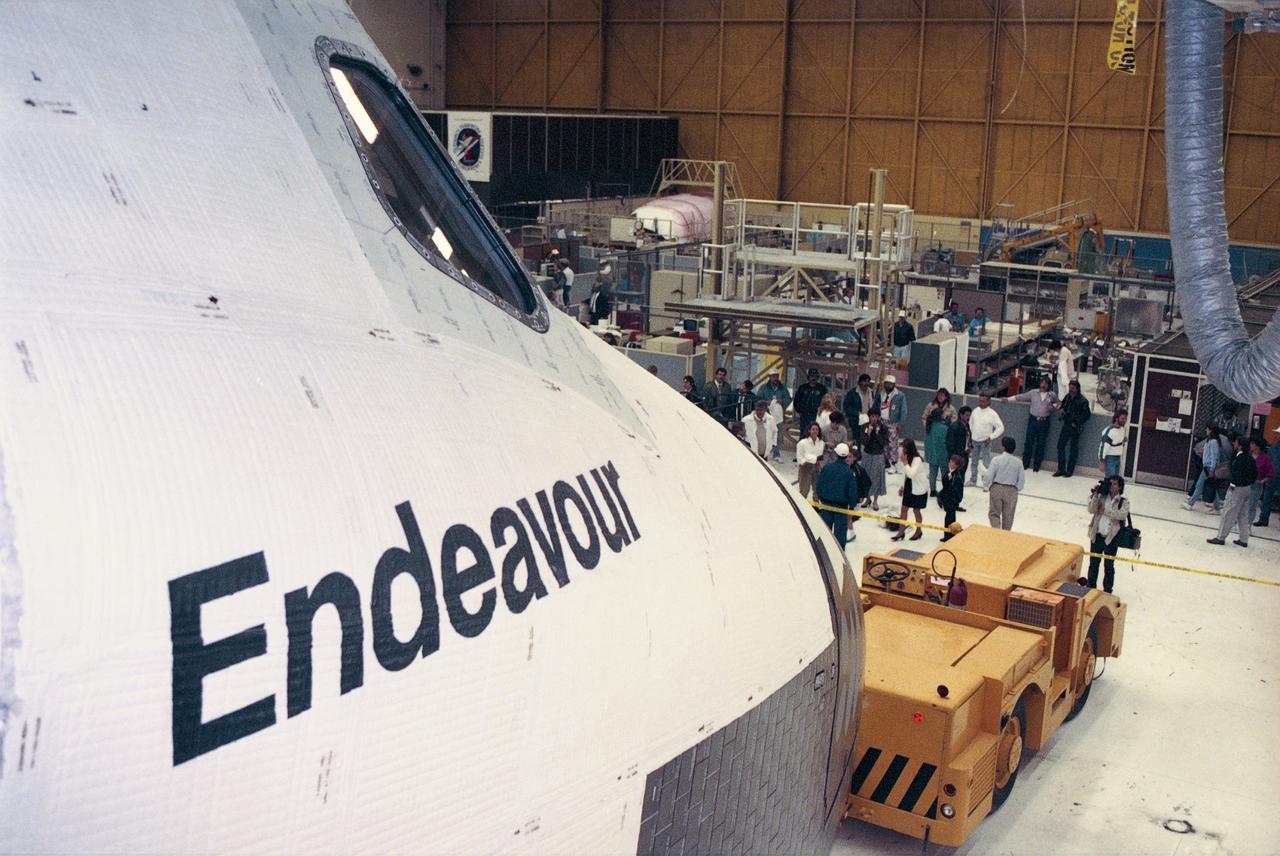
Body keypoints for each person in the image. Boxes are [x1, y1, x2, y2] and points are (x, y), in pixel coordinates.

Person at [1208, 433, 1257, 547]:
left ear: (1239, 446)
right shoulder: (1250, 458)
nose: (1234, 444)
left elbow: (1235, 473)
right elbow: (1255, 474)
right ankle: (1244, 539)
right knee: (1243, 514)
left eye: (1236, 442)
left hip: (1237, 488)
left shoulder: (1239, 458)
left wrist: (1232, 484)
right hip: (1247, 488)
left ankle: (1221, 537)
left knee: (1228, 512)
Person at [1086, 474, 1130, 593]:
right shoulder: (1101, 497)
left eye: (1114, 484)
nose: (1111, 486)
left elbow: (1121, 515)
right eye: (1110, 483)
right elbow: (1091, 509)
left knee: (1109, 566)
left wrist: (1105, 511)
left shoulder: (1123, 502)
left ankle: (1107, 590)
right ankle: (1090, 587)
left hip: (1112, 538)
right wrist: (1095, 494)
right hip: (1097, 535)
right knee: (1093, 564)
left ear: (1120, 487)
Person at [1007, 376, 1059, 471]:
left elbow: (1056, 403)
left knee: (1041, 443)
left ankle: (1037, 465)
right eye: (1042, 383)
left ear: (1048, 385)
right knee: (1029, 442)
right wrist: (1008, 399)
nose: (1043, 385)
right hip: (1033, 419)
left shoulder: (1052, 395)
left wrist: (1053, 407)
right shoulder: (1033, 393)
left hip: (1044, 421)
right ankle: (1025, 463)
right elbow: (1021, 397)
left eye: (1046, 384)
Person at [815, 442, 860, 546]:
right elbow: (852, 491)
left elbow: (819, 485)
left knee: (826, 533)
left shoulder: (827, 468)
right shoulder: (849, 473)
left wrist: (822, 499)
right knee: (840, 536)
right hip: (841, 508)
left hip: (826, 505)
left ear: (836, 454)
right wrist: (852, 506)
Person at [1183, 425, 1229, 512]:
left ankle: (1190, 503)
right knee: (1211, 486)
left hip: (1209, 468)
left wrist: (1212, 468)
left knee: (1200, 485)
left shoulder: (1213, 442)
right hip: (1207, 467)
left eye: (1207, 429)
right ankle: (1217, 507)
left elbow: (1214, 456)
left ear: (1211, 431)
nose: (1206, 430)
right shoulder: (1210, 441)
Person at [983, 436, 1024, 530]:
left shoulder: (996, 460)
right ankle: (1005, 534)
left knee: (994, 513)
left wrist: (986, 484)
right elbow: (1021, 480)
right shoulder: (1018, 462)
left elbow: (989, 475)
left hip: (997, 488)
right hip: (1011, 490)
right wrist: (1016, 489)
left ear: (1003, 447)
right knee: (1009, 515)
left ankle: (996, 531)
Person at [892, 438, 929, 542]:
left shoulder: (917, 459)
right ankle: (901, 531)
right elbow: (906, 474)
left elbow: (911, 474)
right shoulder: (907, 457)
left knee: (916, 510)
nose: (902, 450)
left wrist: (904, 463)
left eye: (904, 448)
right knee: (904, 509)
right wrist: (902, 486)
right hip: (909, 485)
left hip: (918, 487)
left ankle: (919, 530)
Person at [1054, 379, 1091, 477]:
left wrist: (1077, 422)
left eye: (1073, 388)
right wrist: (1062, 410)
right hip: (1066, 424)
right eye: (1070, 388)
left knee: (1073, 449)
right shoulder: (1067, 397)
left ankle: (1070, 470)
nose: (1071, 390)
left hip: (1075, 427)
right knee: (1060, 446)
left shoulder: (1083, 401)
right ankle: (1061, 468)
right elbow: (1063, 406)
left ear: (1077, 389)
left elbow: (1086, 415)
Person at [967, 394, 1004, 487]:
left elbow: (1001, 427)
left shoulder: (992, 414)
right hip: (975, 440)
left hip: (985, 442)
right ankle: (973, 480)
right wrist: (973, 434)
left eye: (983, 401)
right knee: (974, 462)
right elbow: (971, 423)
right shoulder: (975, 411)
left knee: (986, 463)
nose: (981, 403)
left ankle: (986, 483)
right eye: (980, 400)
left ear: (988, 402)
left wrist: (991, 437)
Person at [759, 370, 792, 460]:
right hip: (766, 415)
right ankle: (764, 452)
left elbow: (788, 398)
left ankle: (776, 454)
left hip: (778, 416)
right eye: (773, 376)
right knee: (765, 433)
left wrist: (782, 401)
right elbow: (758, 399)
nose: (775, 378)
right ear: (769, 377)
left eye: (777, 376)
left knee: (777, 433)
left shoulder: (782, 388)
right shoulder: (764, 388)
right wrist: (766, 402)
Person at [859, 409, 887, 510]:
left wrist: (877, 433)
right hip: (867, 454)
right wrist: (869, 433)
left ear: (879, 417)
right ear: (869, 417)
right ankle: (867, 498)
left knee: (877, 477)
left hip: (878, 455)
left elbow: (884, 443)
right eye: (872, 416)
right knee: (866, 477)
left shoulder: (883, 428)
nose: (874, 418)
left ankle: (875, 500)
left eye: (876, 416)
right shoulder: (864, 427)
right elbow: (863, 442)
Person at [938, 454, 966, 541]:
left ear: (957, 465)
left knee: (950, 519)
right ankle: (947, 535)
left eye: (953, 462)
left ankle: (949, 536)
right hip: (947, 500)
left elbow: (958, 491)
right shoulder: (948, 473)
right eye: (950, 461)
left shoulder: (957, 477)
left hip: (952, 502)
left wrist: (955, 501)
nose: (950, 463)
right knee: (948, 518)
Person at [947, 405, 974, 496]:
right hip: (957, 456)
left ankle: (957, 497)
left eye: (969, 415)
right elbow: (950, 443)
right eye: (967, 415)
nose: (968, 417)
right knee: (955, 479)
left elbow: (968, 438)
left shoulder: (966, 426)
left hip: (964, 454)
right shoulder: (955, 426)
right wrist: (953, 457)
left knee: (961, 477)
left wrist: (969, 447)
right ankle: (953, 498)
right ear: (961, 415)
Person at [881, 376, 906, 472]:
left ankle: (893, 463)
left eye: (890, 383)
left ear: (894, 385)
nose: (888, 385)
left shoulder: (900, 395)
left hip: (893, 422)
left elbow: (903, 411)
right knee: (883, 443)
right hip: (882, 420)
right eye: (886, 383)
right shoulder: (881, 393)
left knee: (892, 444)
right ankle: (885, 462)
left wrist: (900, 423)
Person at [1255, 430, 1280, 527]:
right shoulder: (1273, 448)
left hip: (1274, 476)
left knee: (1267, 497)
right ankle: (1263, 519)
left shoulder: (1273, 448)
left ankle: (1263, 519)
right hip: (1272, 476)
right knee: (1266, 498)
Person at [924, 406, 950, 496]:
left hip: (931, 453)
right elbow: (945, 441)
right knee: (944, 473)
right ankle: (946, 490)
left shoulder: (929, 426)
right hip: (942, 453)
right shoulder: (944, 428)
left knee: (932, 473)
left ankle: (932, 490)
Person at [793, 368, 827, 435]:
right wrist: (800, 410)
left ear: (817, 377)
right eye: (812, 376)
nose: (813, 378)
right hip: (804, 415)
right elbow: (796, 400)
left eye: (815, 376)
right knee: (804, 433)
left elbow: (826, 402)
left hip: (817, 416)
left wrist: (822, 412)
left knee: (816, 434)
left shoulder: (822, 389)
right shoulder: (802, 388)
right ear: (808, 377)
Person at [1248, 437, 1274, 525]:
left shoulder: (1265, 458)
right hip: (1245, 482)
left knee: (1252, 505)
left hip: (1256, 484)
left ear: (1257, 446)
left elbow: (1271, 472)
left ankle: (1248, 523)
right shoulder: (1248, 454)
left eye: (1252, 444)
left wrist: (1262, 481)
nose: (1251, 445)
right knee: (1241, 504)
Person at [796, 422, 824, 499]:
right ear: (809, 431)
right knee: (804, 490)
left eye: (816, 430)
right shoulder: (802, 443)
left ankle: (816, 507)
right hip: (805, 467)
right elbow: (800, 458)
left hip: (816, 468)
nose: (815, 431)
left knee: (817, 489)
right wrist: (812, 458)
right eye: (813, 429)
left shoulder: (821, 443)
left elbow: (820, 456)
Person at [1098, 409, 1128, 478]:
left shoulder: (1122, 429)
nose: (1125, 420)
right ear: (1117, 418)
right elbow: (1103, 447)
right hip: (1110, 459)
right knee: (1110, 481)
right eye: (1122, 418)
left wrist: (1123, 441)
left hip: (1118, 458)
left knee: (1115, 481)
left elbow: (1116, 443)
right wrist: (1101, 462)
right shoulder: (1109, 431)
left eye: (1126, 418)